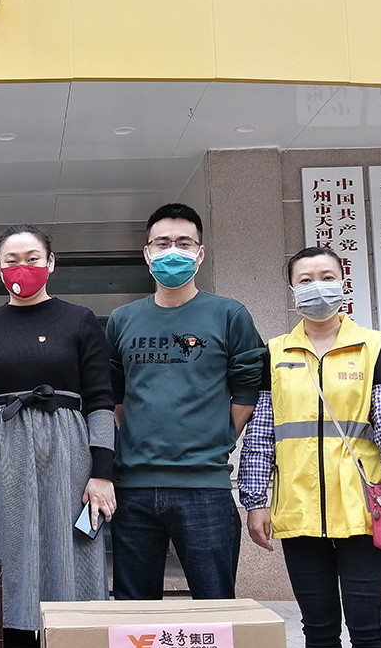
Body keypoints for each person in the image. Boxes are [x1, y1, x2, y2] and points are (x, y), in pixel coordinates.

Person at [237, 246, 381, 648]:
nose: (317, 287)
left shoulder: (374, 346)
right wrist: (255, 501)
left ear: (343, 283)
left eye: (326, 278)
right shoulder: (275, 352)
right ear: (292, 291)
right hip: (299, 509)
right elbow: (261, 435)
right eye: (305, 280)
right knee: (317, 630)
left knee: (368, 629)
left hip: (363, 511)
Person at [0, 225, 116, 648]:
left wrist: (102, 472)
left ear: (51, 263)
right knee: (4, 545)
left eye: (32, 258)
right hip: (2, 450)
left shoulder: (79, 319)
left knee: (69, 546)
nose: (22, 267)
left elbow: (100, 400)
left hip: (67, 450)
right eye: (11, 260)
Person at [106, 202, 265, 600]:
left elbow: (247, 391)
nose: (172, 251)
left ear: (200, 253)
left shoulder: (229, 315)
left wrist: (218, 436)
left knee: (215, 605)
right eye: (162, 243)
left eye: (183, 243)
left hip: (204, 487)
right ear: (147, 253)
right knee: (134, 611)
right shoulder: (122, 319)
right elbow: (116, 395)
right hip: (134, 488)